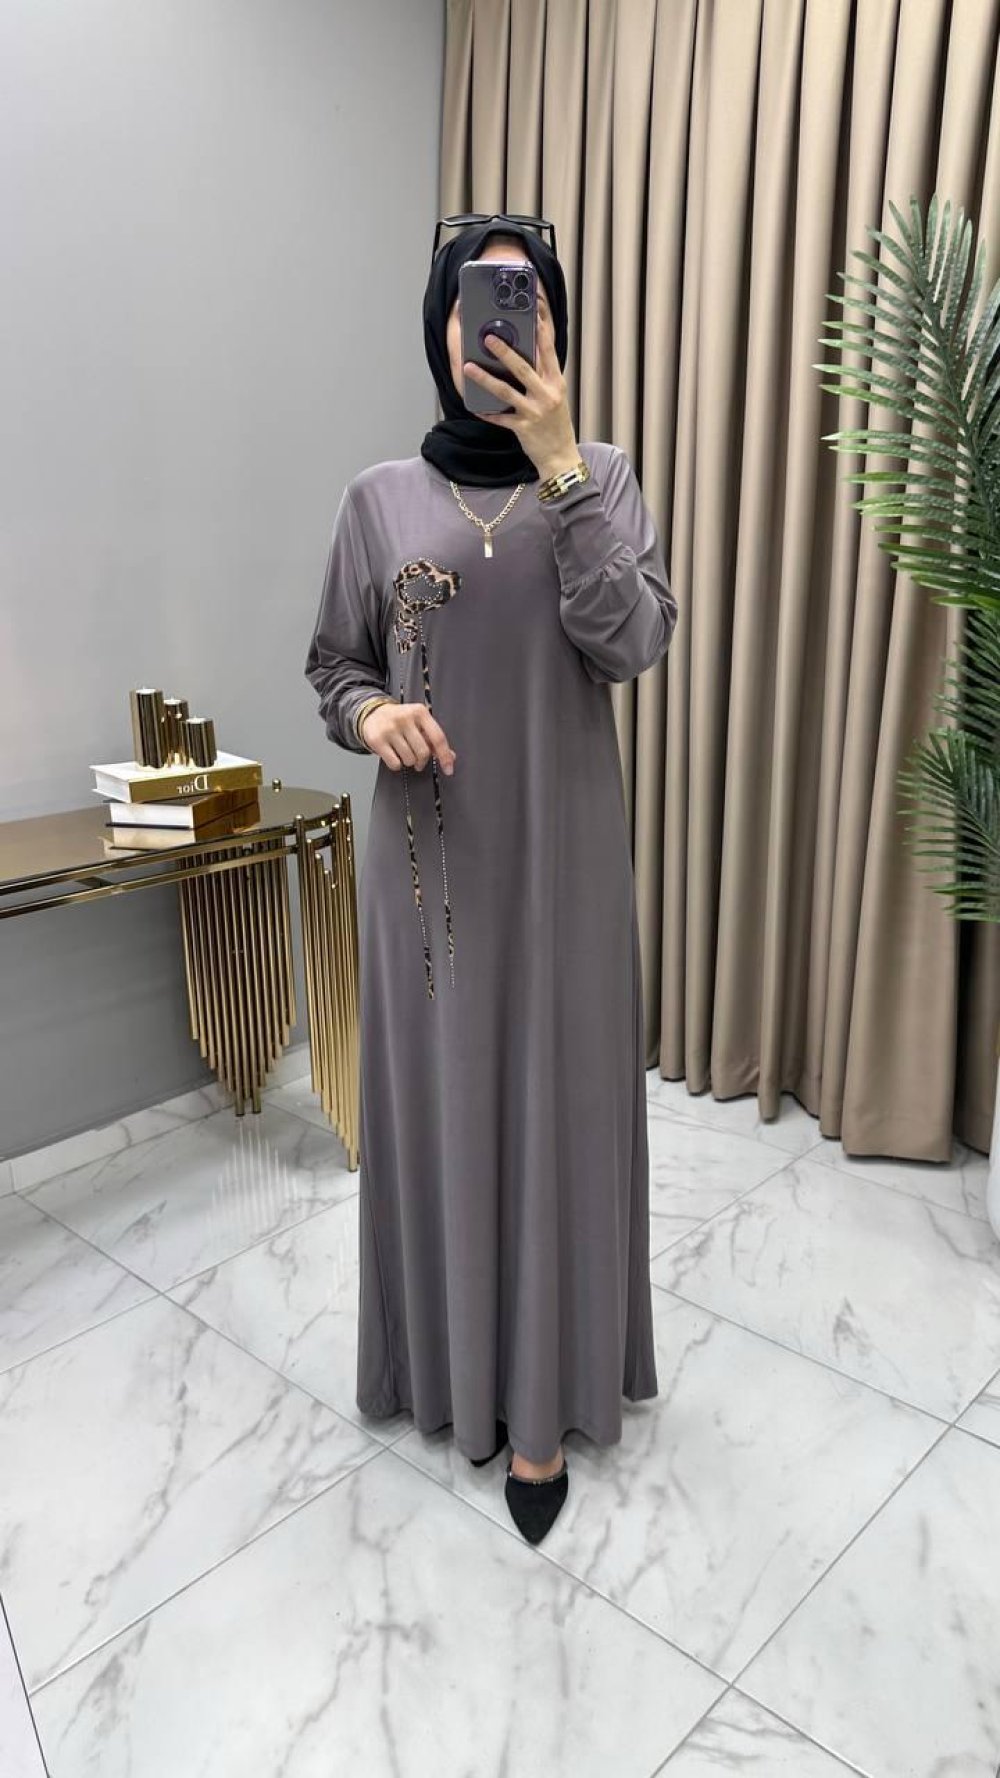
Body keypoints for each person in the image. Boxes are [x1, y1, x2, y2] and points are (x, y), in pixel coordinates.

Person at [305, 214, 677, 1545]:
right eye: (481, 297)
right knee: (448, 1110)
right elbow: (335, 666)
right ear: (441, 325)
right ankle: (449, 1370)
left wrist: (564, 468)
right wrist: (371, 718)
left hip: (565, 867)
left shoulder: (605, 477)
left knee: (559, 1111)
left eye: (529, 298)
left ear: (555, 327)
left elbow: (630, 642)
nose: (503, 322)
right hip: (430, 878)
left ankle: (543, 1410)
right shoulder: (377, 500)